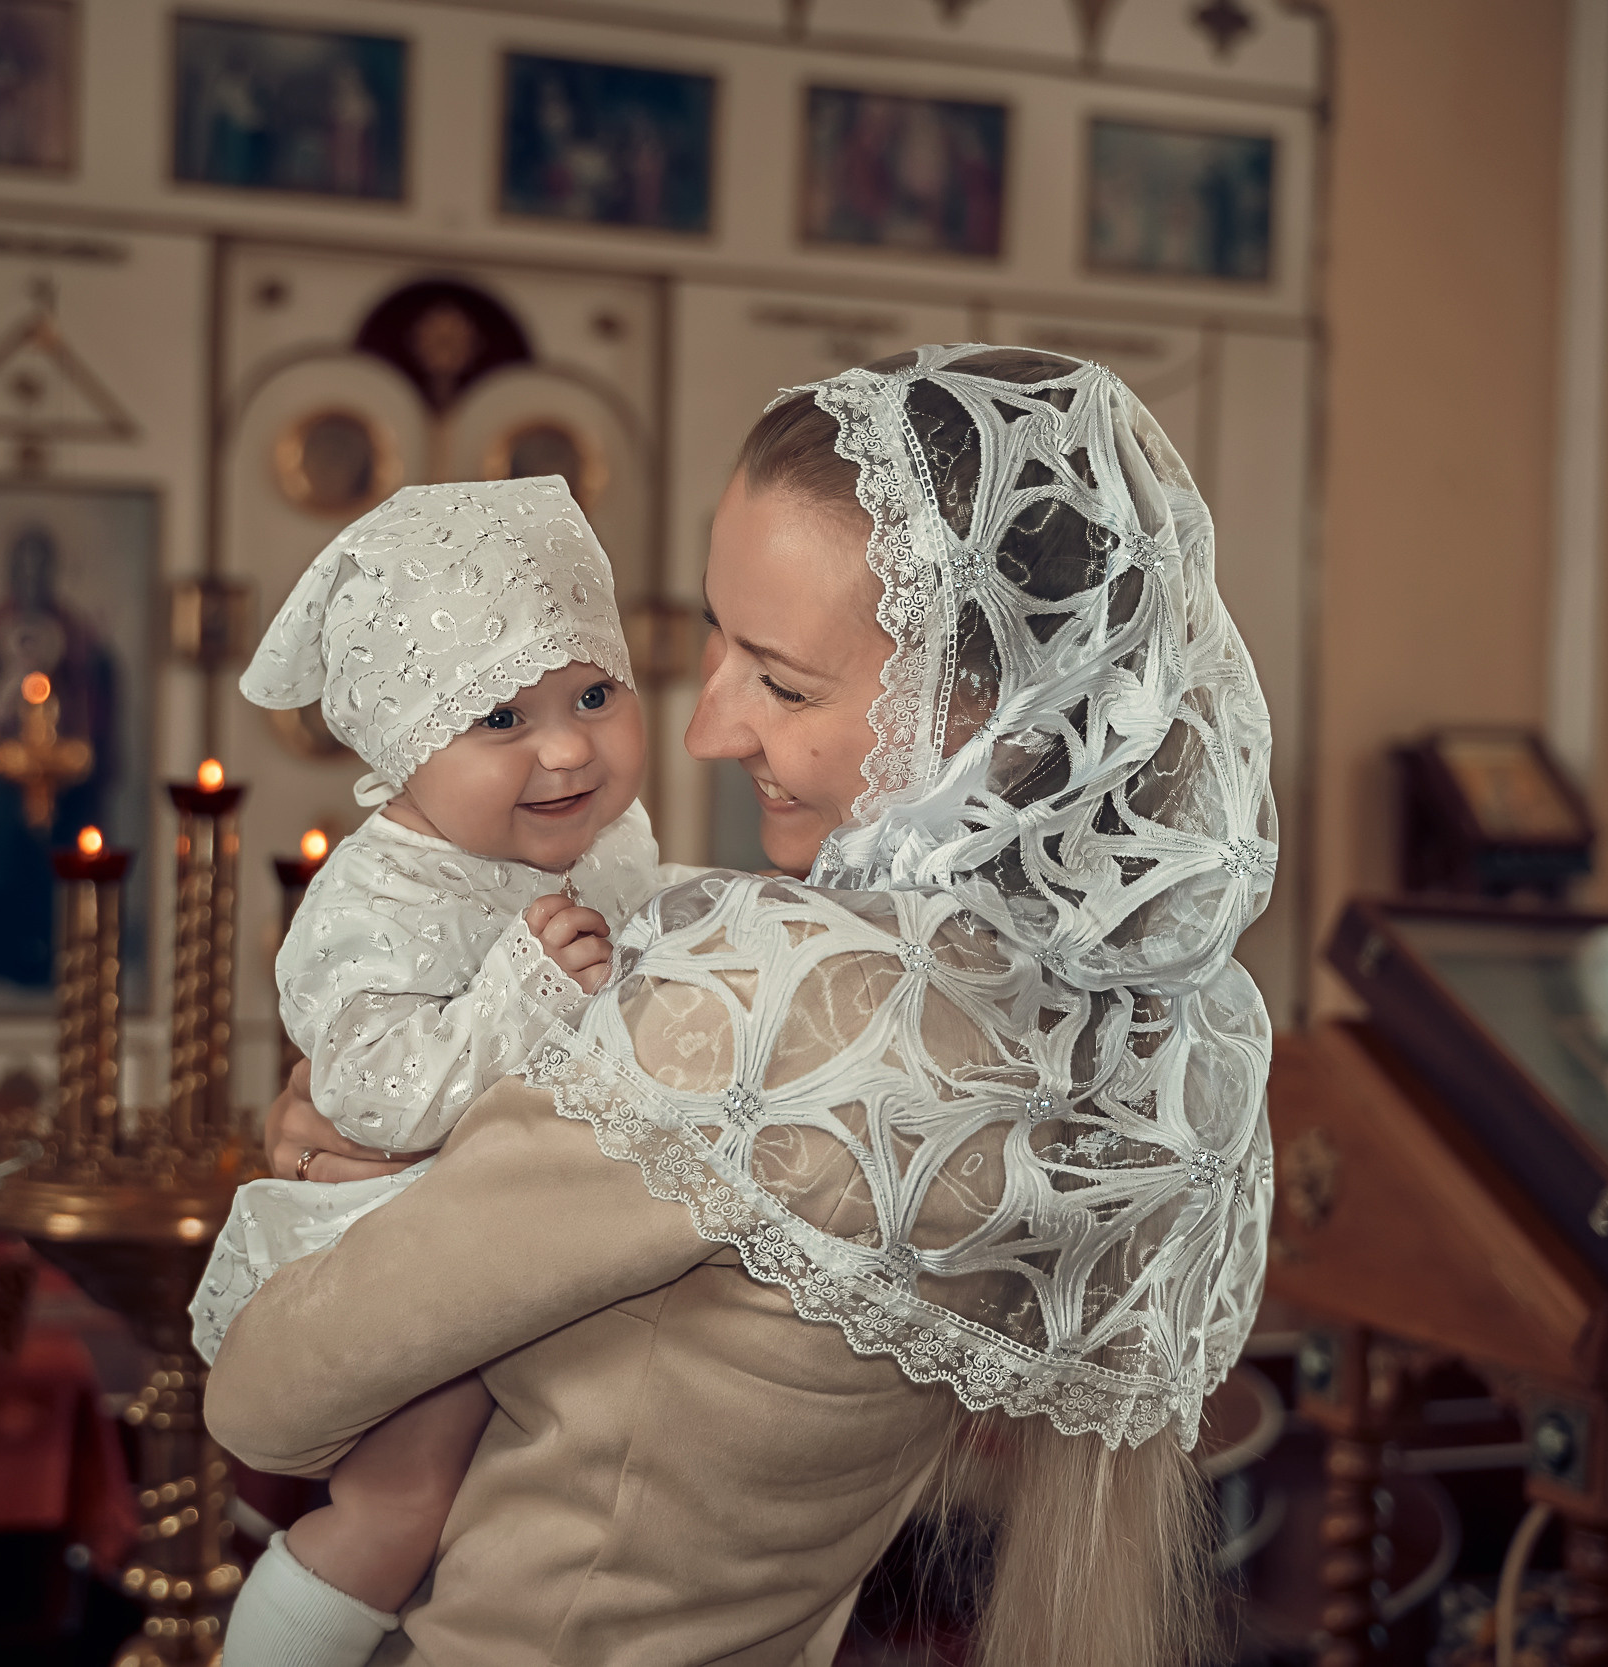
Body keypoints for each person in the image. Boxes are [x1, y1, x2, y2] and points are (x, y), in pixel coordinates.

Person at [209, 345, 1278, 1667]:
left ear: (990, 716)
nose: (707, 728)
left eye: (780, 679)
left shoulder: (770, 1017)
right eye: (711, 639)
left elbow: (267, 1394)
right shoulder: (1103, 1026)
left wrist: (363, 1180)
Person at [199, 478, 672, 1658]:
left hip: (524, 1233)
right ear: (403, 748)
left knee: (493, 1514)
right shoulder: (380, 892)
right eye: (498, 717)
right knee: (397, 1505)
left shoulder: (612, 844)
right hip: (391, 1243)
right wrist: (519, 990)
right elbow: (368, 1094)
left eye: (595, 692)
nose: (568, 747)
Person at [0, 522, 118, 988]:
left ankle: (48, 945)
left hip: (60, 777)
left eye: (41, 568)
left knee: (51, 853)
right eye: (24, 568)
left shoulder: (73, 632)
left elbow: (94, 686)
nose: (32, 578)